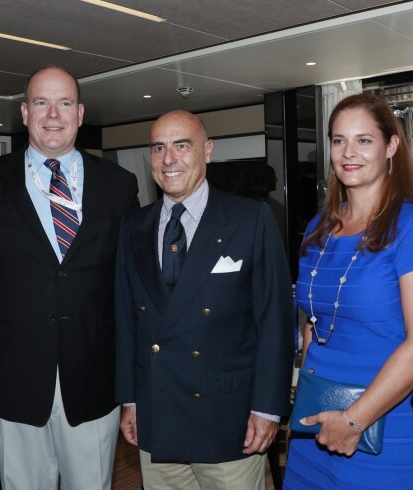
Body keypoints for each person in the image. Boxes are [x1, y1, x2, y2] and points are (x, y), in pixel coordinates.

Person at [0, 65, 139, 490]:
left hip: (94, 376)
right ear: (24, 113)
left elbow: (133, 287)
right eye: (41, 102)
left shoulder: (119, 184)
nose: (53, 114)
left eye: (63, 104)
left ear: (80, 113)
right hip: (13, 377)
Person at [115, 110, 294, 490]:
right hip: (158, 413)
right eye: (159, 147)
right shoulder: (134, 226)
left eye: (182, 145)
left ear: (208, 151)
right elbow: (127, 322)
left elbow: (275, 323)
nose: (169, 159)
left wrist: (267, 408)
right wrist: (129, 399)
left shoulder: (250, 219)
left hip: (227, 419)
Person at [283, 93, 413, 488]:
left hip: (383, 424)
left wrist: (355, 419)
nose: (348, 152)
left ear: (391, 145)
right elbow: (312, 325)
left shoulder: (410, 226)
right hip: (316, 420)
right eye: (339, 140)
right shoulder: (317, 228)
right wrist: (300, 411)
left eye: (364, 140)